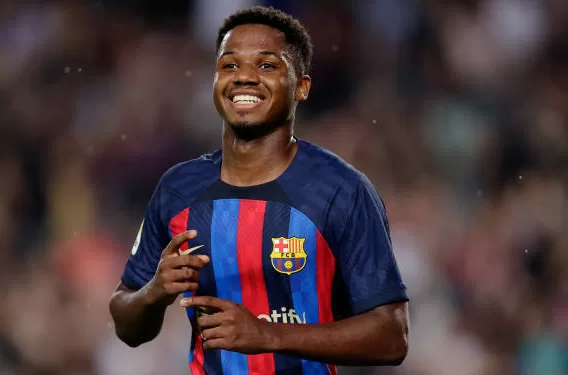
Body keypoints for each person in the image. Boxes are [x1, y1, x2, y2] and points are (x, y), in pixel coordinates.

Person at [109, 6, 409, 375]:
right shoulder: (178, 188)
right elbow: (127, 322)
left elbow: (393, 336)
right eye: (229, 65)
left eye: (267, 65)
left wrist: (268, 335)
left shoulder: (342, 190)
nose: (244, 77)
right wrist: (153, 293)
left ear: (302, 86)